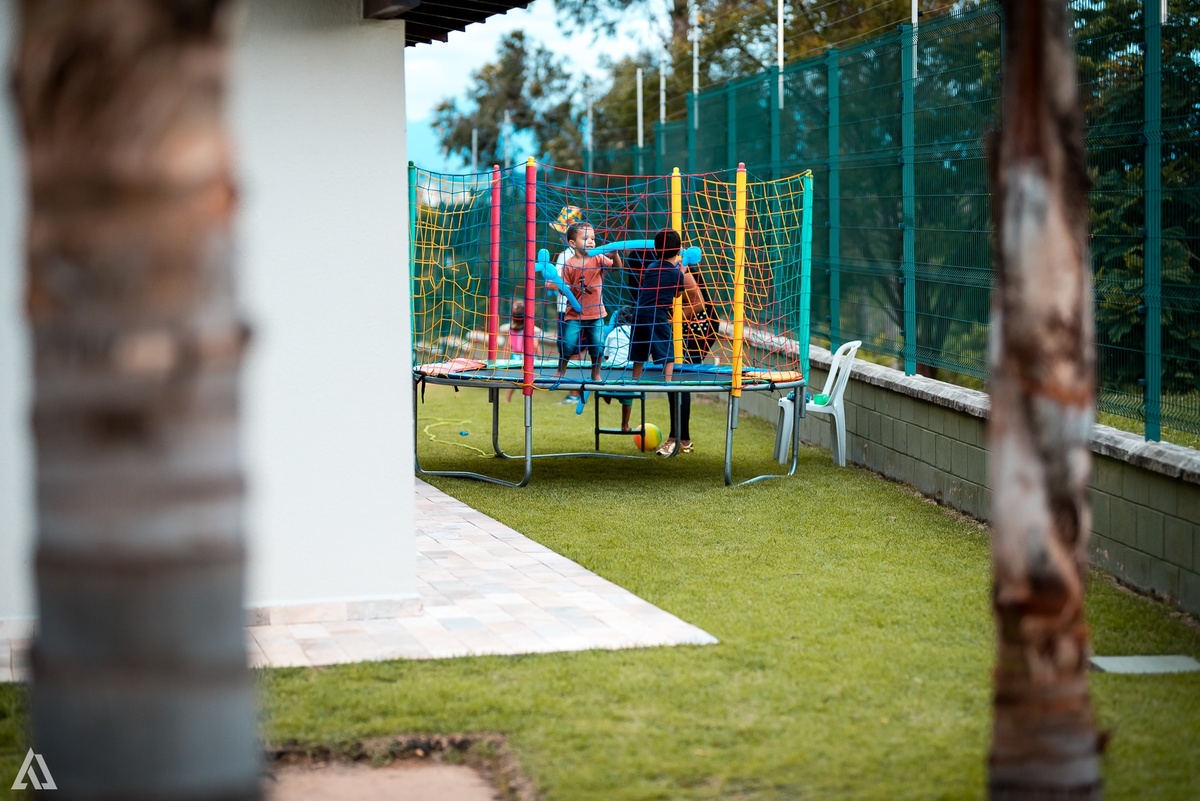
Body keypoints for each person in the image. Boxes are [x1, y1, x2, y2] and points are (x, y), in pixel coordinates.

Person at [629, 228, 701, 383]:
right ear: (678, 251)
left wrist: (676, 267)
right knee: (668, 351)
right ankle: (667, 382)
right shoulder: (676, 274)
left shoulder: (650, 268)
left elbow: (662, 271)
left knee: (640, 351)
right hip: (656, 315)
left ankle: (634, 380)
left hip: (639, 313)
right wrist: (681, 272)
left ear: (655, 250)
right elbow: (677, 294)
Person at [556, 223, 623, 384]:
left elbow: (616, 269)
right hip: (575, 314)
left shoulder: (599, 258)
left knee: (598, 345)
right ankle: (561, 370)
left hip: (596, 313)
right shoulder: (569, 264)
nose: (591, 242)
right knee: (568, 344)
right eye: (585, 238)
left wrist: (615, 255)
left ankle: (596, 373)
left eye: (592, 238)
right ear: (573, 243)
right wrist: (564, 289)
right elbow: (563, 289)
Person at [661, 271, 718, 455]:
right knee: (673, 375)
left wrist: (671, 321)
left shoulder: (681, 270)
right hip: (681, 325)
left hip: (700, 325)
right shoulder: (658, 267)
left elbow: (699, 304)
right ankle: (681, 439)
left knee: (679, 377)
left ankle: (679, 439)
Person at [601, 306, 635, 431]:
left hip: (610, 371)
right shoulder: (636, 333)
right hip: (627, 371)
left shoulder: (612, 332)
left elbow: (606, 355)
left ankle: (606, 391)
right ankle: (624, 425)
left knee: (609, 367)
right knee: (628, 398)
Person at [501, 301, 542, 402]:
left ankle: (507, 399)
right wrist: (541, 357)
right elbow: (535, 345)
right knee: (530, 379)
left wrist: (504, 359)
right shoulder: (529, 330)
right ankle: (528, 398)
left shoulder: (511, 330)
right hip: (527, 358)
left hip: (515, 357)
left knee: (513, 380)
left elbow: (508, 345)